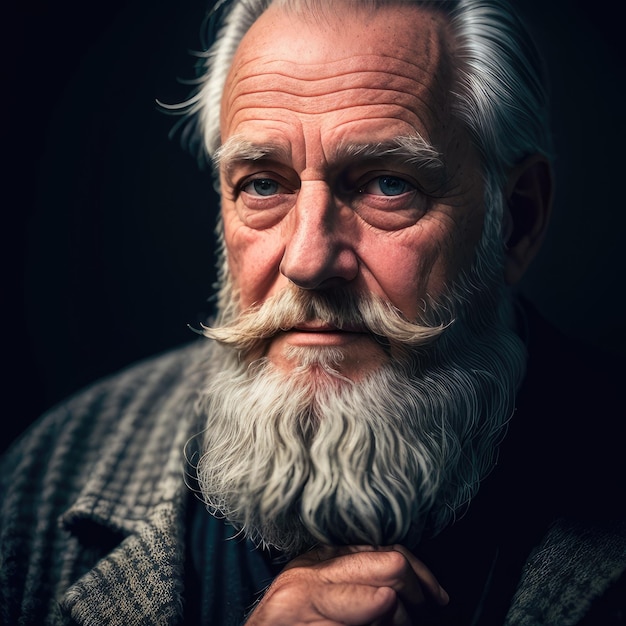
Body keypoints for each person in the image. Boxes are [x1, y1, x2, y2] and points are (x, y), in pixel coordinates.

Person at [2, 0, 624, 624]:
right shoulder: (46, 477)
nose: (307, 260)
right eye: (264, 184)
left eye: (387, 183)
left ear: (517, 219)